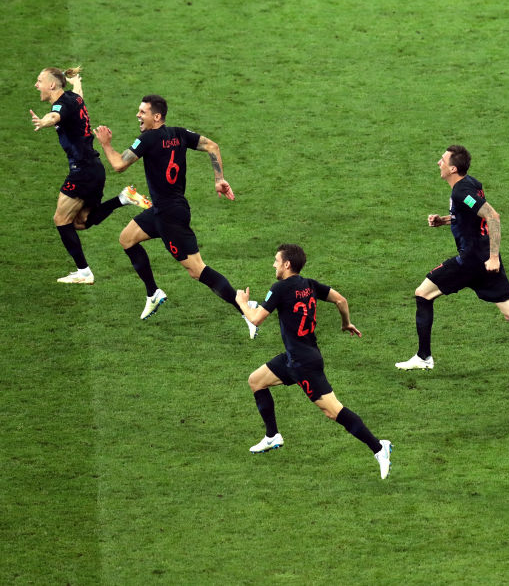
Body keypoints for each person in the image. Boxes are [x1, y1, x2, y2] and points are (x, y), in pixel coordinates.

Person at [395, 145, 509, 374]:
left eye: (442, 160)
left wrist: (494, 257)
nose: (438, 163)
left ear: (453, 168)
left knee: (422, 293)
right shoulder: (471, 184)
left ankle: (424, 357)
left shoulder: (461, 192)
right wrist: (444, 220)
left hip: (472, 262)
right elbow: (471, 215)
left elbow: (492, 216)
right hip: (484, 260)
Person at [94, 95, 256, 337]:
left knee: (197, 270)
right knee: (127, 238)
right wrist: (219, 179)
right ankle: (153, 293)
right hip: (162, 209)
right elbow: (212, 146)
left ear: (156, 117)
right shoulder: (180, 134)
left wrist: (106, 143)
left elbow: (118, 164)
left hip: (169, 216)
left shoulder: (147, 139)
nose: (138, 115)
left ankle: (245, 309)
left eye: (142, 112)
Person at [236, 244, 392, 479]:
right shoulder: (309, 285)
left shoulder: (279, 288)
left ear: (287, 264)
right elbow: (341, 300)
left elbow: (256, 320)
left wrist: (242, 303)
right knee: (256, 381)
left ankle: (380, 448)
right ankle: (272, 436)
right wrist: (345, 323)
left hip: (303, 365)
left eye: (276, 261)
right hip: (296, 357)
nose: (274, 265)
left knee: (333, 411)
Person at [31, 66, 152, 284]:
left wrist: (44, 122)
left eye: (39, 81)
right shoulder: (73, 98)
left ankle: (84, 272)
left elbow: (55, 115)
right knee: (80, 222)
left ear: (52, 85)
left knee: (60, 219)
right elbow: (78, 95)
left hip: (82, 172)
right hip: (94, 169)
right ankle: (124, 198)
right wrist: (77, 79)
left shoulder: (61, 104)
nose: (36, 85)